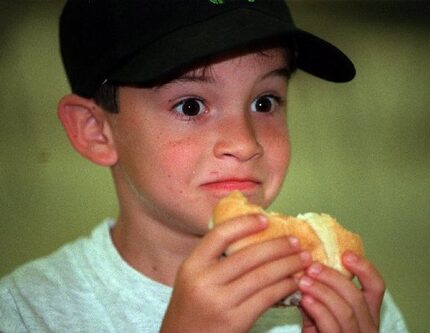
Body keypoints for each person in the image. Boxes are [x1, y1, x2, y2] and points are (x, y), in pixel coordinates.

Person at [0, 0, 409, 332]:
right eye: (191, 106)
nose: (244, 143)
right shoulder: (27, 311)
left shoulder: (344, 300)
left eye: (264, 102)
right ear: (96, 130)